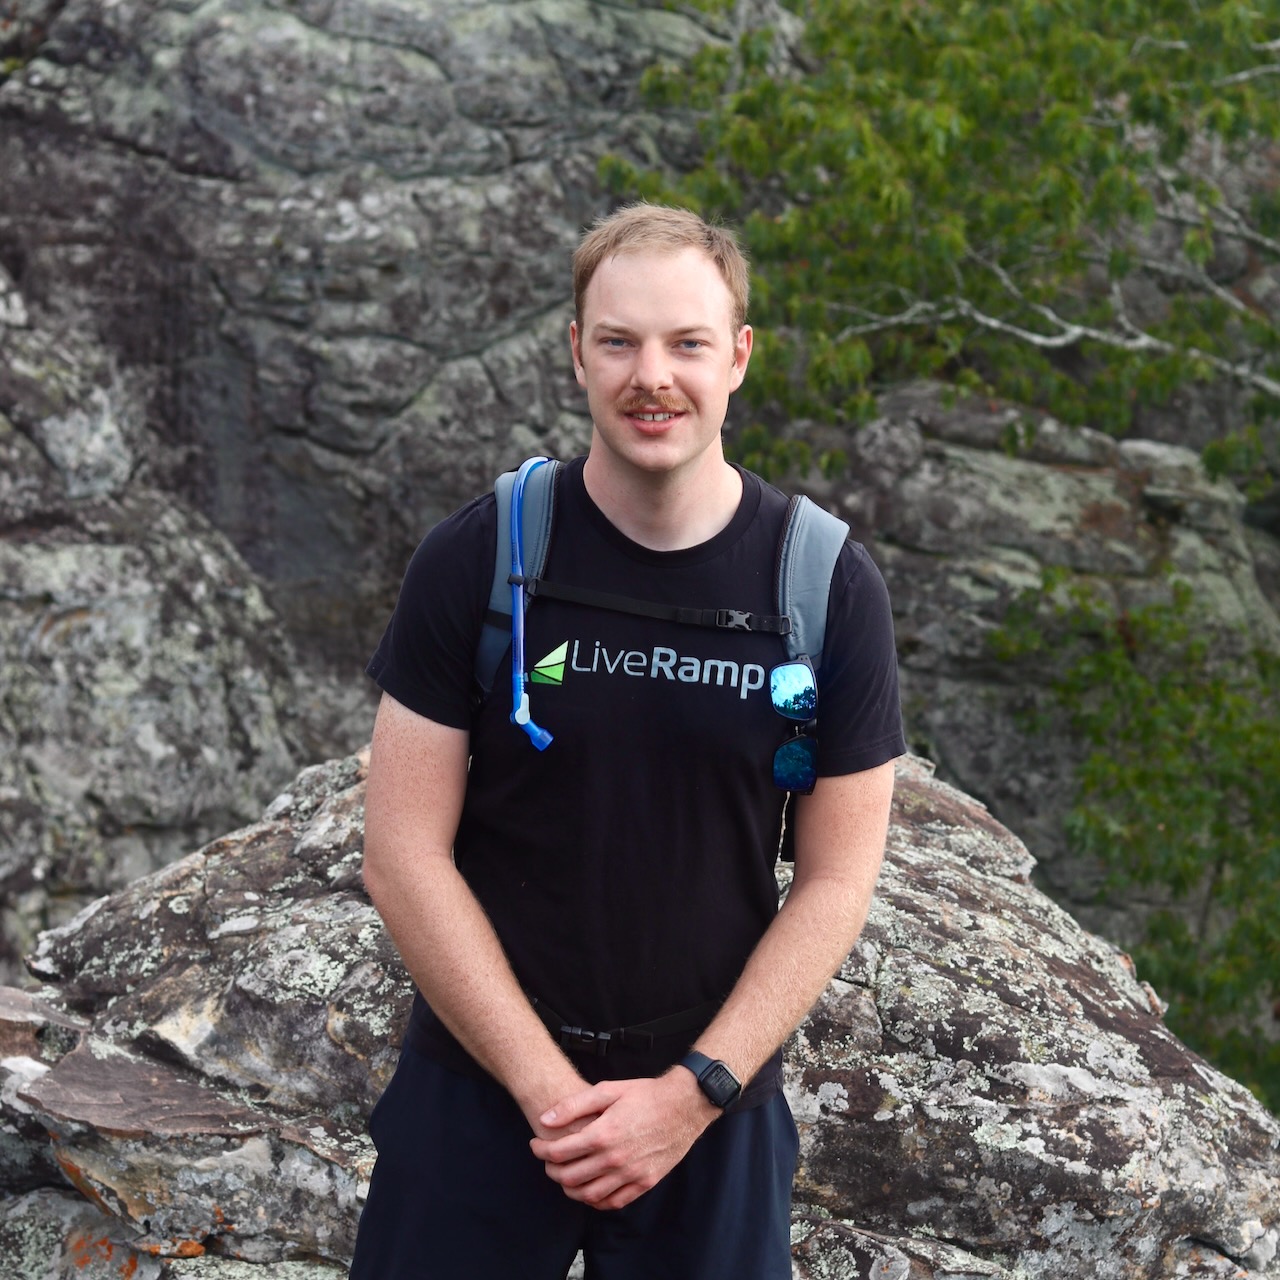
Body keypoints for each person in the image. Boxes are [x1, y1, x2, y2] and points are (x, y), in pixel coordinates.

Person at [348, 203, 905, 1279]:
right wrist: (552, 1096)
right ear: (575, 352)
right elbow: (401, 852)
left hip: (707, 1116)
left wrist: (689, 1093)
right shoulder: (482, 554)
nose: (652, 374)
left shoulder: (824, 585)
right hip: (478, 1095)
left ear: (737, 356)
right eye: (618, 340)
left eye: (686, 342)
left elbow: (835, 881)